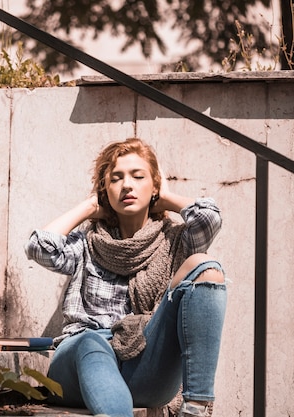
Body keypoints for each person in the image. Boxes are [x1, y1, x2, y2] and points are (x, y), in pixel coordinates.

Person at [24, 138, 227, 417]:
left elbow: (209, 218)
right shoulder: (87, 243)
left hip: (142, 365)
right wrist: (89, 207)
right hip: (79, 368)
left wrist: (165, 199)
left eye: (138, 176)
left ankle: (196, 406)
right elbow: (39, 247)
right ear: (105, 190)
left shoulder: (174, 240)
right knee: (90, 341)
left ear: (154, 184)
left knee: (206, 267)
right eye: (116, 178)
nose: (127, 185)